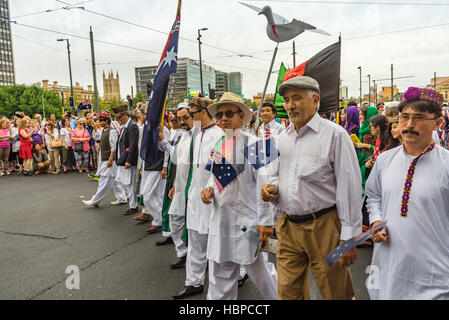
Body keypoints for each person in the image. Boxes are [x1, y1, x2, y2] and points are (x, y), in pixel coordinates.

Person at [261, 76, 362, 300]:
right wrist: (273, 189)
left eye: (296, 98)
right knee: (287, 293)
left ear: (315, 100)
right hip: (288, 227)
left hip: (324, 227)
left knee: (336, 293)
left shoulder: (335, 135)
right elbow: (280, 176)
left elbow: (350, 188)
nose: (289, 105)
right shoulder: (282, 138)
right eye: (286, 100)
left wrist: (349, 237)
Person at [365, 87, 449, 300]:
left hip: (435, 273)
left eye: (418, 118)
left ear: (438, 123)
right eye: (405, 117)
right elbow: (374, 196)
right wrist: (375, 222)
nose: (409, 125)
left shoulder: (446, 164)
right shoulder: (384, 160)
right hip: (388, 265)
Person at [201, 92, 278, 300]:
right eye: (220, 114)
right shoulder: (216, 145)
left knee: (262, 274)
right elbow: (213, 179)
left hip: (248, 221)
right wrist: (208, 189)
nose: (223, 118)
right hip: (220, 221)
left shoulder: (256, 144)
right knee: (219, 276)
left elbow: (267, 185)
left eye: (228, 113)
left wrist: (265, 222)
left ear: (241, 117)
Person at [171, 96, 224, 300]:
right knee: (195, 241)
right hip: (194, 197)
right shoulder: (194, 135)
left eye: (191, 114)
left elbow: (221, 169)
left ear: (203, 112)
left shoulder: (220, 135)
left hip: (213, 199)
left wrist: (211, 188)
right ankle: (194, 282)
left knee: (218, 243)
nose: (188, 118)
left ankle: (237, 276)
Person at [157, 103, 193, 268]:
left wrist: (164, 143)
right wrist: (173, 185)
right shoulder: (182, 135)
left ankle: (196, 259)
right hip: (179, 188)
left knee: (196, 228)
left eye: (185, 118)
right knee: (176, 221)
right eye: (179, 119)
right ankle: (184, 253)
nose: (182, 121)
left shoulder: (199, 135)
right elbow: (176, 160)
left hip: (193, 189)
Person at [82, 111, 127, 208]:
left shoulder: (112, 131)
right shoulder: (104, 130)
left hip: (109, 160)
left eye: (101, 120)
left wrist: (111, 159)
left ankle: (95, 200)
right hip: (105, 159)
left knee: (104, 181)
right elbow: (99, 138)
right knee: (115, 181)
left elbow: (114, 147)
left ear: (106, 121)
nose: (99, 121)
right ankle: (122, 198)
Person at [114, 106, 140, 216]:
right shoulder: (126, 126)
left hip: (130, 160)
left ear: (125, 115)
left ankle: (133, 206)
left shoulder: (132, 126)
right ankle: (132, 203)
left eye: (119, 118)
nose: (118, 120)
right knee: (127, 183)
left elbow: (133, 145)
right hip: (125, 159)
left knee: (131, 184)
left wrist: (129, 160)